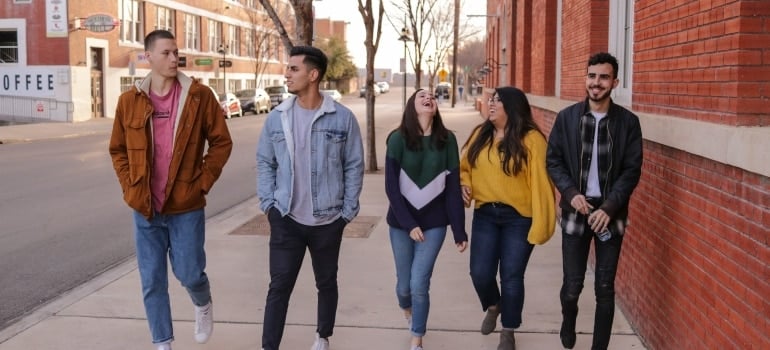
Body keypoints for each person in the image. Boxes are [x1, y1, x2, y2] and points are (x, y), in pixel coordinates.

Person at [108, 29, 232, 350]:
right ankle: (162, 343)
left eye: (176, 52)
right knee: (152, 281)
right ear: (148, 57)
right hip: (145, 207)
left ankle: (202, 303)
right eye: (166, 53)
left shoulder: (199, 97)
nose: (174, 58)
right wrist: (130, 185)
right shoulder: (129, 101)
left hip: (186, 206)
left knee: (190, 273)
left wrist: (202, 182)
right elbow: (118, 149)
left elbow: (221, 143)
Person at [256, 45, 364, 350]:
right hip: (286, 217)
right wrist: (269, 205)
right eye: (288, 68)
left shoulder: (341, 118)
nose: (287, 74)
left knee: (326, 282)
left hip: (328, 219)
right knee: (279, 287)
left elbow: (354, 164)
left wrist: (346, 213)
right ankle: (269, 346)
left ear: (313, 75)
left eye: (294, 69)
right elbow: (265, 161)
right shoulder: (277, 117)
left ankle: (322, 336)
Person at [546, 52, 643, 350]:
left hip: (610, 214)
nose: (596, 83)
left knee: (604, 287)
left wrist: (610, 207)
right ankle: (568, 319)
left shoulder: (628, 123)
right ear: (585, 78)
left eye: (603, 77)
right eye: (592, 76)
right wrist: (571, 194)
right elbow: (554, 161)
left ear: (614, 82)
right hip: (576, 211)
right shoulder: (567, 118)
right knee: (573, 285)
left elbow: (631, 170)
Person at [460, 86, 556, 350]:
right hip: (486, 214)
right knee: (479, 273)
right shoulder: (481, 135)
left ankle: (508, 330)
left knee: (512, 276)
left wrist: (542, 223)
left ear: (512, 107)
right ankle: (494, 305)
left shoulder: (532, 140)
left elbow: (541, 185)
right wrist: (464, 185)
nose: (491, 104)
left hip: (519, 218)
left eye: (498, 101)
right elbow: (464, 168)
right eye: (491, 100)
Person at [385, 89, 469, 350]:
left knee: (419, 282)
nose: (428, 97)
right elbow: (391, 188)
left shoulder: (447, 141)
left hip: (434, 223)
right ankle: (407, 309)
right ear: (412, 105)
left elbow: (454, 188)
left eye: (432, 95)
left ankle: (417, 338)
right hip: (401, 223)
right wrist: (410, 225)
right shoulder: (397, 139)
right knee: (403, 287)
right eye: (421, 95)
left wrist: (459, 230)